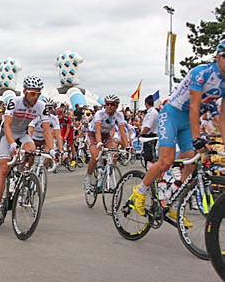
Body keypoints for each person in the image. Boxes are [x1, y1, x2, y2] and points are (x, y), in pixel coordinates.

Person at [132, 40, 225, 226]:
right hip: (172, 114)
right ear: (217, 56)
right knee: (166, 161)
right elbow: (194, 106)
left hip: (188, 120)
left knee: (192, 160)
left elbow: (222, 119)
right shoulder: (202, 72)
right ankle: (139, 192)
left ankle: (173, 199)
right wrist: (197, 137)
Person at [0, 75, 54, 221]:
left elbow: (46, 130)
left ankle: (21, 176)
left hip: (23, 134)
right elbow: (6, 124)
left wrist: (52, 150)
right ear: (25, 91)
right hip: (7, 134)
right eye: (33, 93)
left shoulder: (41, 106)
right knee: (3, 168)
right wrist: (12, 143)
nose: (36, 97)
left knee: (32, 153)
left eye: (39, 94)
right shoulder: (14, 102)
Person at [84, 94, 128, 193]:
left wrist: (127, 147)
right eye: (107, 104)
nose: (109, 106)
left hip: (106, 135)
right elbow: (98, 130)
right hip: (93, 134)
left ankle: (111, 178)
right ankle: (88, 180)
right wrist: (99, 143)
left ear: (116, 106)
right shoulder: (100, 114)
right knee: (95, 156)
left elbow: (122, 132)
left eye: (112, 104)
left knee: (114, 153)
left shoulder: (119, 115)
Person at [139, 94, 159, 165]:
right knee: (151, 155)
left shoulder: (151, 113)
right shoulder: (154, 112)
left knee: (148, 156)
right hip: (152, 135)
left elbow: (148, 127)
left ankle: (150, 172)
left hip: (149, 136)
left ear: (146, 103)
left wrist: (141, 134)